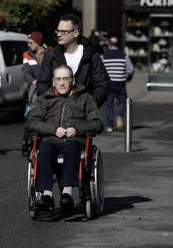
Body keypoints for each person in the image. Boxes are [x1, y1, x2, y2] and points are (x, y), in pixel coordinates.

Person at [26, 65, 104, 211]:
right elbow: (31, 122)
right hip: (51, 139)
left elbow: (98, 123)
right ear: (53, 81)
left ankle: (67, 194)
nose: (62, 83)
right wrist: (53, 130)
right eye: (58, 79)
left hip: (75, 140)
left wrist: (77, 129)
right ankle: (47, 195)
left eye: (66, 79)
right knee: (44, 147)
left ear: (72, 80)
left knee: (69, 146)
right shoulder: (45, 99)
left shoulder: (85, 98)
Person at [36, 14, 111, 108]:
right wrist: (51, 104)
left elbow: (102, 83)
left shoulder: (90, 55)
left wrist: (88, 105)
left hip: (82, 117)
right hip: (56, 115)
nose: (58, 34)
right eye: (58, 31)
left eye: (63, 31)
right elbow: (42, 83)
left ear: (75, 33)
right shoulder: (51, 55)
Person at [101, 37, 134, 132]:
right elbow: (131, 69)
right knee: (122, 101)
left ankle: (110, 126)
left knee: (109, 104)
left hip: (109, 83)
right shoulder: (124, 56)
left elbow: (99, 70)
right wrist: (127, 77)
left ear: (109, 44)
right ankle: (119, 116)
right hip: (120, 82)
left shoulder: (103, 56)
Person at [22, 31, 46, 156]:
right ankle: (28, 140)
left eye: (31, 42)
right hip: (34, 88)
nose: (28, 44)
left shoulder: (49, 53)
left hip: (47, 88)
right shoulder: (26, 54)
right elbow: (26, 71)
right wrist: (32, 81)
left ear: (38, 42)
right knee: (31, 112)